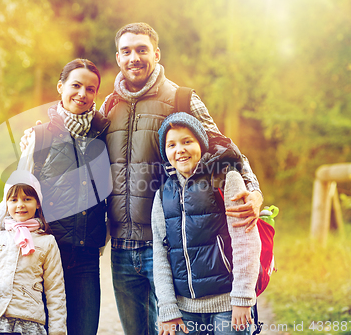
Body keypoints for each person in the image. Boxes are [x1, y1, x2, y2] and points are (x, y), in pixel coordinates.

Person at [99, 22, 263, 335]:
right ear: (118, 57)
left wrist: (253, 191)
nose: (134, 57)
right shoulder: (109, 107)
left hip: (168, 246)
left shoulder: (182, 99)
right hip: (121, 247)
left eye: (142, 49)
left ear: (156, 54)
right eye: (127, 51)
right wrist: (35, 139)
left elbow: (228, 151)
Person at [13, 58, 111, 335]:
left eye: (90, 89)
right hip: (46, 255)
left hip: (87, 257)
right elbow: (17, 196)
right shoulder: (39, 137)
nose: (82, 94)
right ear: (60, 87)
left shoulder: (105, 135)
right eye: (76, 85)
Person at [152, 112, 261, 335]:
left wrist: (242, 297)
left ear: (201, 144)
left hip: (228, 306)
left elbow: (246, 242)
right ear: (166, 152)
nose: (179, 149)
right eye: (171, 145)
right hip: (184, 311)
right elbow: (160, 253)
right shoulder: (162, 193)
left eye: (187, 141)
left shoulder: (226, 179)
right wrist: (167, 307)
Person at [0, 170, 66, 335]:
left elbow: (55, 291)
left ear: (38, 203)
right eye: (13, 200)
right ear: (6, 204)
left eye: (27, 199)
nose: (20, 204)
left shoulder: (47, 242)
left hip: (28, 323)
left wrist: (58, 332)